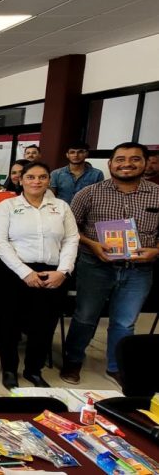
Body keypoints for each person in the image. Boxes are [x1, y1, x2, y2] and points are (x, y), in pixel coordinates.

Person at [61, 142, 159, 386]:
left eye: (135, 159)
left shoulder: (158, 194)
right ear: (110, 164)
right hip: (95, 266)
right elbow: (69, 228)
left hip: (139, 270)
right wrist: (93, 244)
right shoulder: (89, 193)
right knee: (85, 316)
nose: (127, 164)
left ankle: (117, 366)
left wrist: (156, 251)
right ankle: (73, 361)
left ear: (146, 163)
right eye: (120, 159)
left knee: (125, 321)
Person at [0, 161, 78, 389]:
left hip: (52, 272)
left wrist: (63, 271)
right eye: (30, 177)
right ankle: (9, 368)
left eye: (42, 177)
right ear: (20, 180)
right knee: (9, 323)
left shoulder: (61, 207)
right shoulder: (7, 206)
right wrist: (25, 272)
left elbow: (71, 239)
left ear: (49, 180)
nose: (36, 181)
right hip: (14, 272)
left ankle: (33, 370)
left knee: (44, 324)